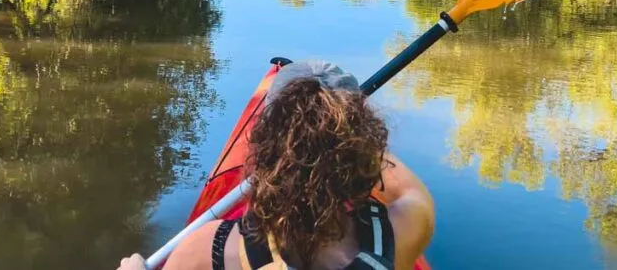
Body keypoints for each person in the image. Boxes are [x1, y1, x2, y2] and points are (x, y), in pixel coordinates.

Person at [118, 61, 435, 270]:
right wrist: (348, 141)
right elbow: (407, 187)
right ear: (362, 151)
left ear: (263, 148)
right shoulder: (406, 229)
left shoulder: (203, 253)